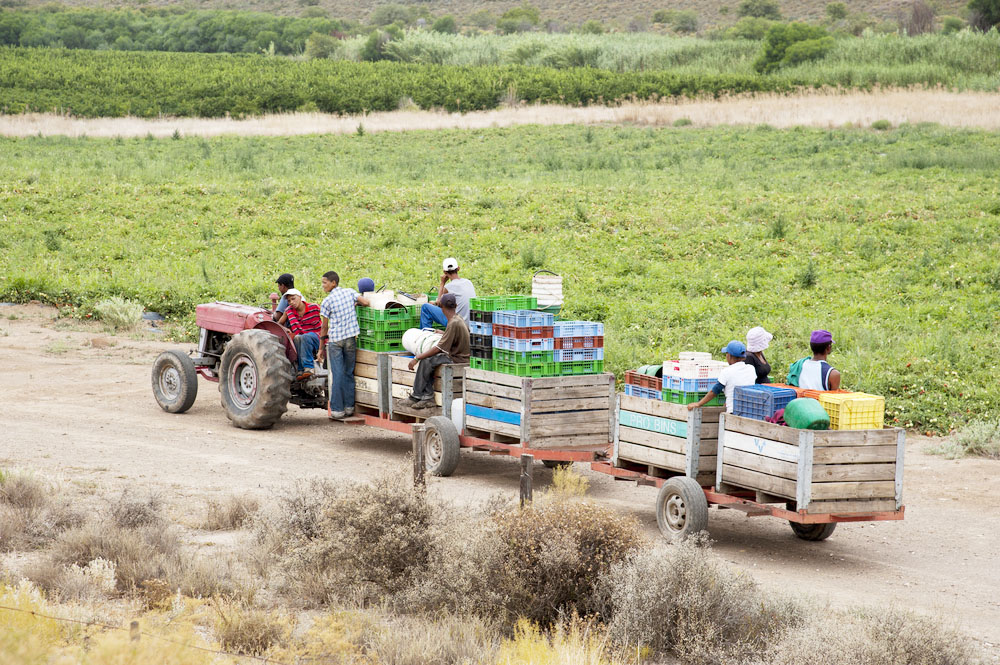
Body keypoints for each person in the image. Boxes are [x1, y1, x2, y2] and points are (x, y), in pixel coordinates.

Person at [317, 271, 370, 419]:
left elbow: (324, 327)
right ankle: (349, 408)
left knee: (338, 374)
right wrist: (355, 304)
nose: (323, 286)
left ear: (333, 283)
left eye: (325, 282)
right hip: (350, 339)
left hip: (335, 341)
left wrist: (321, 348)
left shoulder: (327, 301)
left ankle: (337, 410)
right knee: (348, 373)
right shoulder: (350, 292)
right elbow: (366, 302)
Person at [407, 293, 470, 409]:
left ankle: (421, 396)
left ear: (441, 307)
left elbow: (438, 349)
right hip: (461, 357)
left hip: (456, 359)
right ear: (455, 305)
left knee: (427, 360)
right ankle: (423, 395)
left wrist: (417, 358)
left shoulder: (453, 323)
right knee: (430, 360)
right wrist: (443, 333)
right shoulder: (458, 319)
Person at [688, 340, 757, 413]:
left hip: (733, 411)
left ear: (729, 356)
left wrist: (698, 404)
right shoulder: (751, 368)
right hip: (750, 410)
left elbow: (715, 391)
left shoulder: (727, 371)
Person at [420, 257, 476, 327]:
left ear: (445, 272)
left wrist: (442, 283)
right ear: (458, 268)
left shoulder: (449, 287)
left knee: (425, 307)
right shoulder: (468, 282)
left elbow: (439, 303)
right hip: (471, 323)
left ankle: (425, 334)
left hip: (457, 324)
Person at [284, 289, 322, 381]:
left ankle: (309, 367)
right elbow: (279, 323)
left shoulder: (314, 307)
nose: (291, 302)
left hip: (317, 338)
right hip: (302, 339)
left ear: (300, 297)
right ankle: (300, 370)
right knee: (296, 338)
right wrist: (285, 328)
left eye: (293, 299)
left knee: (305, 337)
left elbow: (327, 315)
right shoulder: (289, 310)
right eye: (289, 301)